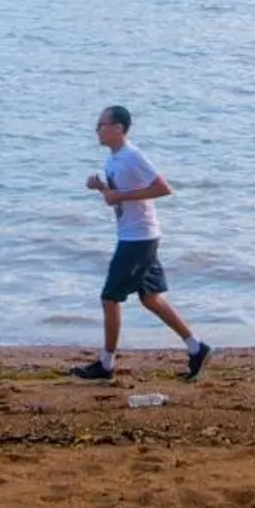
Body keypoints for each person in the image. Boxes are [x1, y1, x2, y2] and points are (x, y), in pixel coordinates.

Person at [69, 104, 213, 382]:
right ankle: (197, 348)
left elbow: (163, 188)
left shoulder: (132, 156)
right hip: (137, 235)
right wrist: (100, 188)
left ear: (118, 128)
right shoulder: (113, 160)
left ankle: (106, 365)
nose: (97, 130)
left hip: (138, 238)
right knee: (150, 298)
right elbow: (115, 199)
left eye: (101, 125)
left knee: (110, 298)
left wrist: (120, 196)